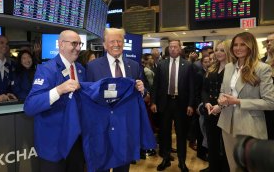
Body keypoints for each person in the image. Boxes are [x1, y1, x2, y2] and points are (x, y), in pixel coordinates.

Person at [86, 28, 151, 172]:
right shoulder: (92, 67)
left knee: (122, 168)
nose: (116, 44)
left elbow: (144, 93)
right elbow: (88, 98)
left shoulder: (134, 66)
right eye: (112, 41)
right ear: (104, 44)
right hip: (102, 128)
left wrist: (142, 90)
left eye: (119, 41)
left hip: (125, 128)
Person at [24, 30, 85, 172]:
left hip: (76, 144)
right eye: (74, 44)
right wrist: (58, 90)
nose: (78, 48)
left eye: (79, 44)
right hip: (53, 146)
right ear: (61, 45)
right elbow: (30, 106)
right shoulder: (46, 69)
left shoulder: (81, 70)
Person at [217, 32, 274, 171]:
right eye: (235, 45)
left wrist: (238, 102)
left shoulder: (262, 68)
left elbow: (270, 102)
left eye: (243, 44)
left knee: (250, 168)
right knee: (233, 166)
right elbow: (223, 92)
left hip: (250, 124)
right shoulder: (229, 67)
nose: (238, 48)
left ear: (250, 46)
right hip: (227, 123)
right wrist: (220, 101)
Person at [151, 39, 194, 172]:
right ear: (168, 49)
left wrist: (191, 104)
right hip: (165, 102)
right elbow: (156, 86)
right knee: (165, 133)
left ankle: (182, 161)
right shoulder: (162, 65)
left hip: (181, 103)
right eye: (171, 47)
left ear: (180, 48)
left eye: (175, 47)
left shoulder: (187, 65)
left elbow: (192, 87)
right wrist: (153, 102)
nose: (173, 49)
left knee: (181, 134)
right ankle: (165, 159)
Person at [200, 41, 231, 172]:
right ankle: (213, 167)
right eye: (217, 50)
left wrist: (219, 106)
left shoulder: (233, 68)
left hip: (226, 109)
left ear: (228, 52)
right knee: (211, 141)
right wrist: (207, 102)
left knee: (225, 144)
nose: (218, 53)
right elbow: (204, 89)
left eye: (222, 50)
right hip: (210, 109)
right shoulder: (212, 68)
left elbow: (232, 92)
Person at [262, 33, 274, 140]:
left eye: (272, 41)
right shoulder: (262, 61)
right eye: (267, 41)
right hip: (266, 107)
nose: (269, 44)